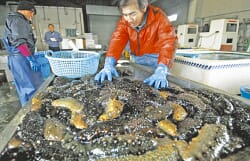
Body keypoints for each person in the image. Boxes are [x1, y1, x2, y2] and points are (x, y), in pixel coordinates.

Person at [95, 0, 177, 89]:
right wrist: (109, 63)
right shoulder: (125, 21)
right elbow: (117, 39)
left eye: (133, 14)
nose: (129, 19)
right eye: (125, 15)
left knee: (159, 89)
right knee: (139, 88)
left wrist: (162, 68)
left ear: (143, 8)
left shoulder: (159, 17)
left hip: (158, 61)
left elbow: (168, 42)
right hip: (139, 61)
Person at [3, 1, 44, 107]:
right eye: (32, 14)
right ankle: (32, 112)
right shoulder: (18, 21)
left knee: (24, 87)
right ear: (29, 11)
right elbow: (20, 42)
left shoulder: (15, 19)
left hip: (19, 57)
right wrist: (30, 59)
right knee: (30, 87)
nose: (31, 17)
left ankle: (29, 109)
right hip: (21, 58)